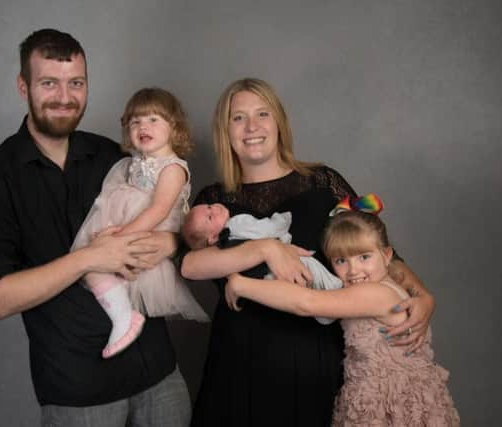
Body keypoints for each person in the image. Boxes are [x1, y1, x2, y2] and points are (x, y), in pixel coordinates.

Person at [0, 29, 190, 426]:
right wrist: (88, 259)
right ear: (22, 86)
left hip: (161, 379)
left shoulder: (113, 155)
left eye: (76, 83)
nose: (65, 97)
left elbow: (173, 215)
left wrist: (169, 242)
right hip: (80, 395)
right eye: (49, 83)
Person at [180, 77, 435, 426]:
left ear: (279, 122)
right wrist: (266, 248)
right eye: (238, 118)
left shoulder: (322, 183)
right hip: (239, 363)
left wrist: (422, 296)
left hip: (318, 358)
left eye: (262, 114)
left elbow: (380, 253)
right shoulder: (213, 202)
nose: (252, 126)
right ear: (225, 131)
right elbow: (191, 264)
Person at [225, 194, 460, 426]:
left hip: (391, 400)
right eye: (340, 261)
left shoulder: (376, 294)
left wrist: (242, 284)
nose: (353, 270)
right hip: (377, 390)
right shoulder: (388, 283)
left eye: (364, 257)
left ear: (387, 255)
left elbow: (307, 304)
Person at [71, 87, 208, 359]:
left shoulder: (173, 168)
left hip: (148, 234)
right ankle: (123, 315)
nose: (143, 126)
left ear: (174, 127)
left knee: (98, 262)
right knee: (90, 266)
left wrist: (121, 235)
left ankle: (123, 319)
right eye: (136, 122)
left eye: (153, 120)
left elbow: (158, 211)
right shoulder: (131, 164)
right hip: (131, 230)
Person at [181, 203, 342, 324]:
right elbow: (266, 229)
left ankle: (325, 312)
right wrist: (282, 219)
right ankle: (336, 289)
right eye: (210, 217)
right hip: (276, 266)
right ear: (213, 238)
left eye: (210, 206)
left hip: (262, 279)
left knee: (297, 292)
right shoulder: (236, 223)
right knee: (309, 267)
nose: (215, 209)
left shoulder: (222, 248)